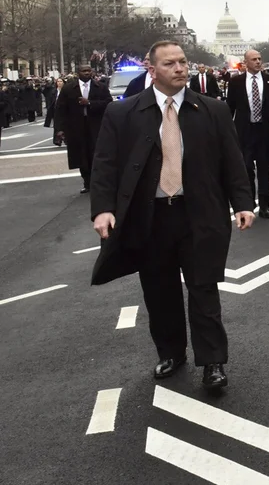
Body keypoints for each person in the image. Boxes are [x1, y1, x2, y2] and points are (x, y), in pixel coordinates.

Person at [89, 41, 255, 389]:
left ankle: (213, 363)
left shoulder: (212, 109)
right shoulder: (123, 113)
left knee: (204, 290)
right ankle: (171, 353)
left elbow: (232, 160)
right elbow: (105, 165)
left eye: (182, 62)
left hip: (198, 214)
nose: (180, 68)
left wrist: (243, 202)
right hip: (150, 218)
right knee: (159, 291)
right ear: (152, 70)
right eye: (170, 64)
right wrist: (104, 210)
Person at [225, 49, 269, 218]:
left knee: (264, 170)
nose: (258, 62)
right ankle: (250, 201)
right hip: (245, 132)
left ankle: (265, 205)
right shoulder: (236, 82)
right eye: (254, 59)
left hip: (265, 132)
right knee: (246, 168)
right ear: (245, 62)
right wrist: (225, 130)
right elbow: (229, 107)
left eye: (260, 59)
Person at [54, 65, 113, 193]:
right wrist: (59, 129)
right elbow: (60, 109)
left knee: (96, 154)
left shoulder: (100, 87)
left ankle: (97, 181)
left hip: (96, 126)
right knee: (81, 155)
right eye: (84, 71)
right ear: (78, 73)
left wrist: (90, 103)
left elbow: (108, 103)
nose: (87, 73)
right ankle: (86, 182)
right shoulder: (69, 88)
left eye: (89, 71)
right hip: (76, 127)